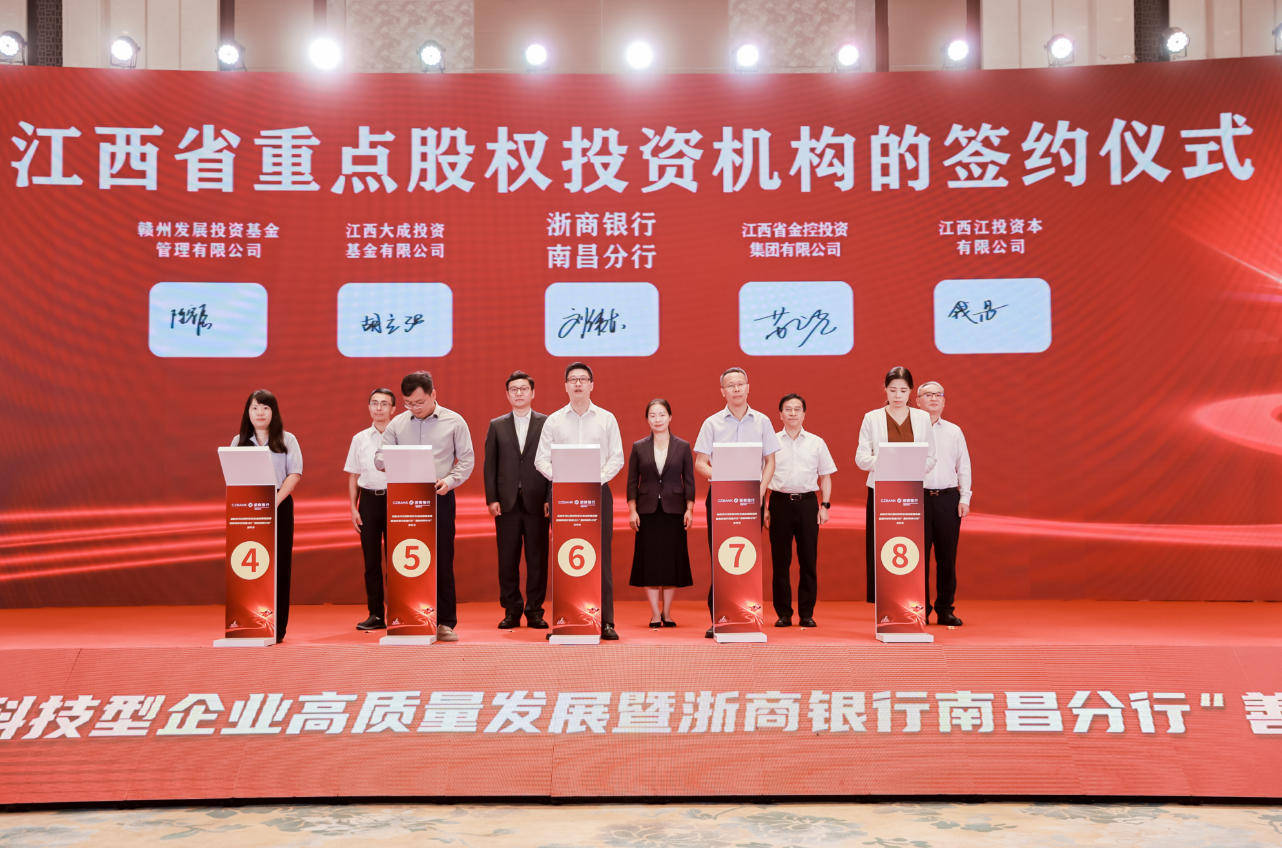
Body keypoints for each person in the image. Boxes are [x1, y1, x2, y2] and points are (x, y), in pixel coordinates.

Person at [378, 371, 475, 643]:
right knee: (403, 557)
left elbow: (466, 459)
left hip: (438, 495)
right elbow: (380, 456)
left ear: (434, 394)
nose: (414, 408)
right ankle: (404, 617)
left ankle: (444, 622)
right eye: (408, 403)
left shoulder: (454, 421)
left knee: (441, 559)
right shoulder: (397, 424)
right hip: (404, 500)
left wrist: (450, 481)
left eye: (419, 402)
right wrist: (386, 460)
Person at [534, 361, 624, 640]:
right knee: (565, 556)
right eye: (572, 379)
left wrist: (595, 480)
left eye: (583, 379)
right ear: (565, 386)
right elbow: (541, 460)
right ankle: (564, 619)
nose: (577, 383)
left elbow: (617, 458)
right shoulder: (554, 421)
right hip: (564, 496)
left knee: (601, 557)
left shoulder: (606, 419)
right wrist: (563, 479)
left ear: (591, 385)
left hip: (598, 493)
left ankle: (605, 621)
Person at [694, 367, 779, 638]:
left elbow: (770, 461)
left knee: (749, 557)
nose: (736, 389)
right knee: (721, 556)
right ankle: (719, 616)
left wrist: (760, 491)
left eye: (740, 383)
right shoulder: (712, 423)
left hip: (752, 499)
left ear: (748, 387)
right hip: (721, 499)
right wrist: (723, 478)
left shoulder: (762, 422)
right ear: (723, 391)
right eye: (731, 385)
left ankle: (748, 614)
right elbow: (700, 463)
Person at [855, 365, 937, 603]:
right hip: (881, 491)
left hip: (912, 491)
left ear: (911, 391)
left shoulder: (922, 418)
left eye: (903, 390)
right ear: (885, 390)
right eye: (893, 390)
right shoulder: (872, 418)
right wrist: (889, 461)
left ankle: (912, 601)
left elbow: (931, 457)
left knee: (911, 546)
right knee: (881, 546)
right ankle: (884, 601)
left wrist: (910, 466)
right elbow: (861, 458)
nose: (898, 395)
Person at [231, 389, 302, 643]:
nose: (260, 413)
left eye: (265, 408)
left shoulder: (287, 439)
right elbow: (233, 475)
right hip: (248, 508)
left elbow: (294, 474)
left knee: (279, 565)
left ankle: (277, 626)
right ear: (247, 412)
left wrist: (274, 501)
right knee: (249, 563)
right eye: (255, 408)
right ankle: (248, 621)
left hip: (279, 504)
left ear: (274, 412)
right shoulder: (238, 441)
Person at [483, 370, 550, 630]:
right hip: (506, 504)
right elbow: (490, 466)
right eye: (514, 389)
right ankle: (511, 610)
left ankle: (535, 611)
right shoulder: (497, 425)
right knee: (507, 560)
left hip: (537, 502)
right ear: (507, 394)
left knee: (537, 559)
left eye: (523, 389)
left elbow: (553, 462)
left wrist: (549, 496)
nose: (519, 393)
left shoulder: (546, 423)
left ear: (533, 393)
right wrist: (492, 498)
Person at [765, 393, 836, 628]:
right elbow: (762, 477)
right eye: (788, 409)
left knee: (808, 560)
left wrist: (825, 505)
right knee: (780, 562)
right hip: (779, 503)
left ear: (804, 414)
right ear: (780, 414)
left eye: (797, 409)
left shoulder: (816, 442)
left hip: (807, 504)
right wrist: (764, 508)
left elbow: (825, 476)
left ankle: (806, 613)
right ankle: (784, 613)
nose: (793, 413)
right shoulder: (771, 442)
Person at [627, 399, 696, 627]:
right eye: (653, 415)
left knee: (671, 563)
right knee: (649, 563)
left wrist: (689, 509)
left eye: (662, 414)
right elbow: (631, 481)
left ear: (670, 417)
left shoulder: (682, 446)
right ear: (647, 419)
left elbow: (689, 480)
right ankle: (655, 614)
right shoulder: (639, 447)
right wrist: (632, 510)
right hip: (647, 512)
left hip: (674, 511)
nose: (657, 419)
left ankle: (667, 613)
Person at [916, 381, 972, 627]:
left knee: (947, 558)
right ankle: (920, 609)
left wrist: (965, 497)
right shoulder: (911, 430)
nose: (934, 398)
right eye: (928, 395)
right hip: (917, 498)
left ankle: (945, 609)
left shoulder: (954, 431)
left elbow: (964, 466)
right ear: (918, 402)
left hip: (948, 499)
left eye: (938, 394)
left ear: (944, 401)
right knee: (918, 559)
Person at [344, 388, 395, 631]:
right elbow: (353, 476)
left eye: (384, 404)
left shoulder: (402, 436)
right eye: (374, 403)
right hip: (368, 502)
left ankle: (399, 612)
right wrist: (353, 508)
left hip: (397, 501)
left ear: (393, 409)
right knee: (371, 561)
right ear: (369, 407)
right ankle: (375, 614)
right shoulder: (360, 439)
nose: (379, 408)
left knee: (397, 559)